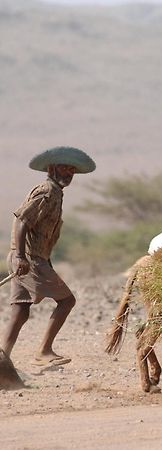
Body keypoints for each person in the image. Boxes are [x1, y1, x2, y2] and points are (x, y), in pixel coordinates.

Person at [1, 146, 96, 366]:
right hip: (29, 259)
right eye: (64, 168)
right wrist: (23, 257)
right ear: (51, 168)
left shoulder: (56, 193)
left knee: (21, 311)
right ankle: (44, 351)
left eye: (72, 170)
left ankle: (2, 361)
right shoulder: (47, 192)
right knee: (67, 301)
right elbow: (22, 220)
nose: (68, 173)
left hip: (31, 258)